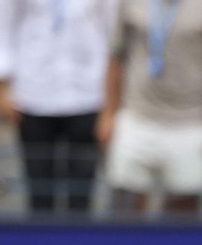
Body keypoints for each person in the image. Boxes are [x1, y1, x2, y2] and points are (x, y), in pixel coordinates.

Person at [101, 0, 202, 216]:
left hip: (191, 121)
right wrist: (109, 114)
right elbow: (116, 55)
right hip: (137, 117)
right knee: (126, 209)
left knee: (183, 215)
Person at [0, 0, 118, 214]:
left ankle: (80, 244)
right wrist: (2, 87)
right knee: (39, 190)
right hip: (33, 94)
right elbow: (4, 25)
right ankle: (40, 244)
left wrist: (111, 103)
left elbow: (112, 31)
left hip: (87, 94)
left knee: (81, 191)